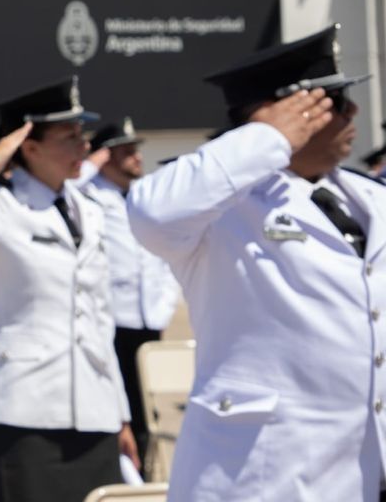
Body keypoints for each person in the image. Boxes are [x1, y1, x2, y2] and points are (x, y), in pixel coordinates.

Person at [127, 27, 386, 501]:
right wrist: (265, 137)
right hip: (261, 477)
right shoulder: (222, 208)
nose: (353, 111)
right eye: (333, 100)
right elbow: (150, 212)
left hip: (363, 473)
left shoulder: (369, 199)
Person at [0, 77, 136, 502]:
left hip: (93, 411)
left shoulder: (89, 210)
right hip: (23, 409)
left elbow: (99, 318)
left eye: (83, 136)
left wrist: (120, 414)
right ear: (30, 145)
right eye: (69, 137)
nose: (83, 147)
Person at [80, 117, 180, 471]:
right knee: (117, 404)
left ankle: (145, 471)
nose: (137, 158)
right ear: (105, 157)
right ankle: (126, 472)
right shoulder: (89, 194)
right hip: (113, 318)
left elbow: (163, 254)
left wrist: (166, 301)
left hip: (148, 313)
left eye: (136, 150)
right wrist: (90, 162)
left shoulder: (144, 194)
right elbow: (69, 183)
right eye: (126, 151)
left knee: (145, 404)